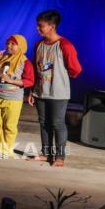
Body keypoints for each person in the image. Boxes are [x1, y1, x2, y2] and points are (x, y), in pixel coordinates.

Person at [28, 10, 82, 167]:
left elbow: (76, 69)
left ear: (51, 26)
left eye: (41, 26)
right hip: (40, 91)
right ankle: (46, 154)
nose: (37, 28)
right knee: (44, 122)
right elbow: (35, 69)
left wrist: (60, 77)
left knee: (57, 123)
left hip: (58, 93)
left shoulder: (65, 45)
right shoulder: (38, 45)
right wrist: (32, 89)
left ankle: (59, 157)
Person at [0, 35, 35, 159]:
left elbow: (29, 81)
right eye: (7, 43)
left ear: (20, 46)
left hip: (13, 100)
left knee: (9, 125)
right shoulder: (3, 58)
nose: (8, 46)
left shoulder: (25, 62)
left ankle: (6, 150)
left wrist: (11, 80)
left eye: (12, 44)